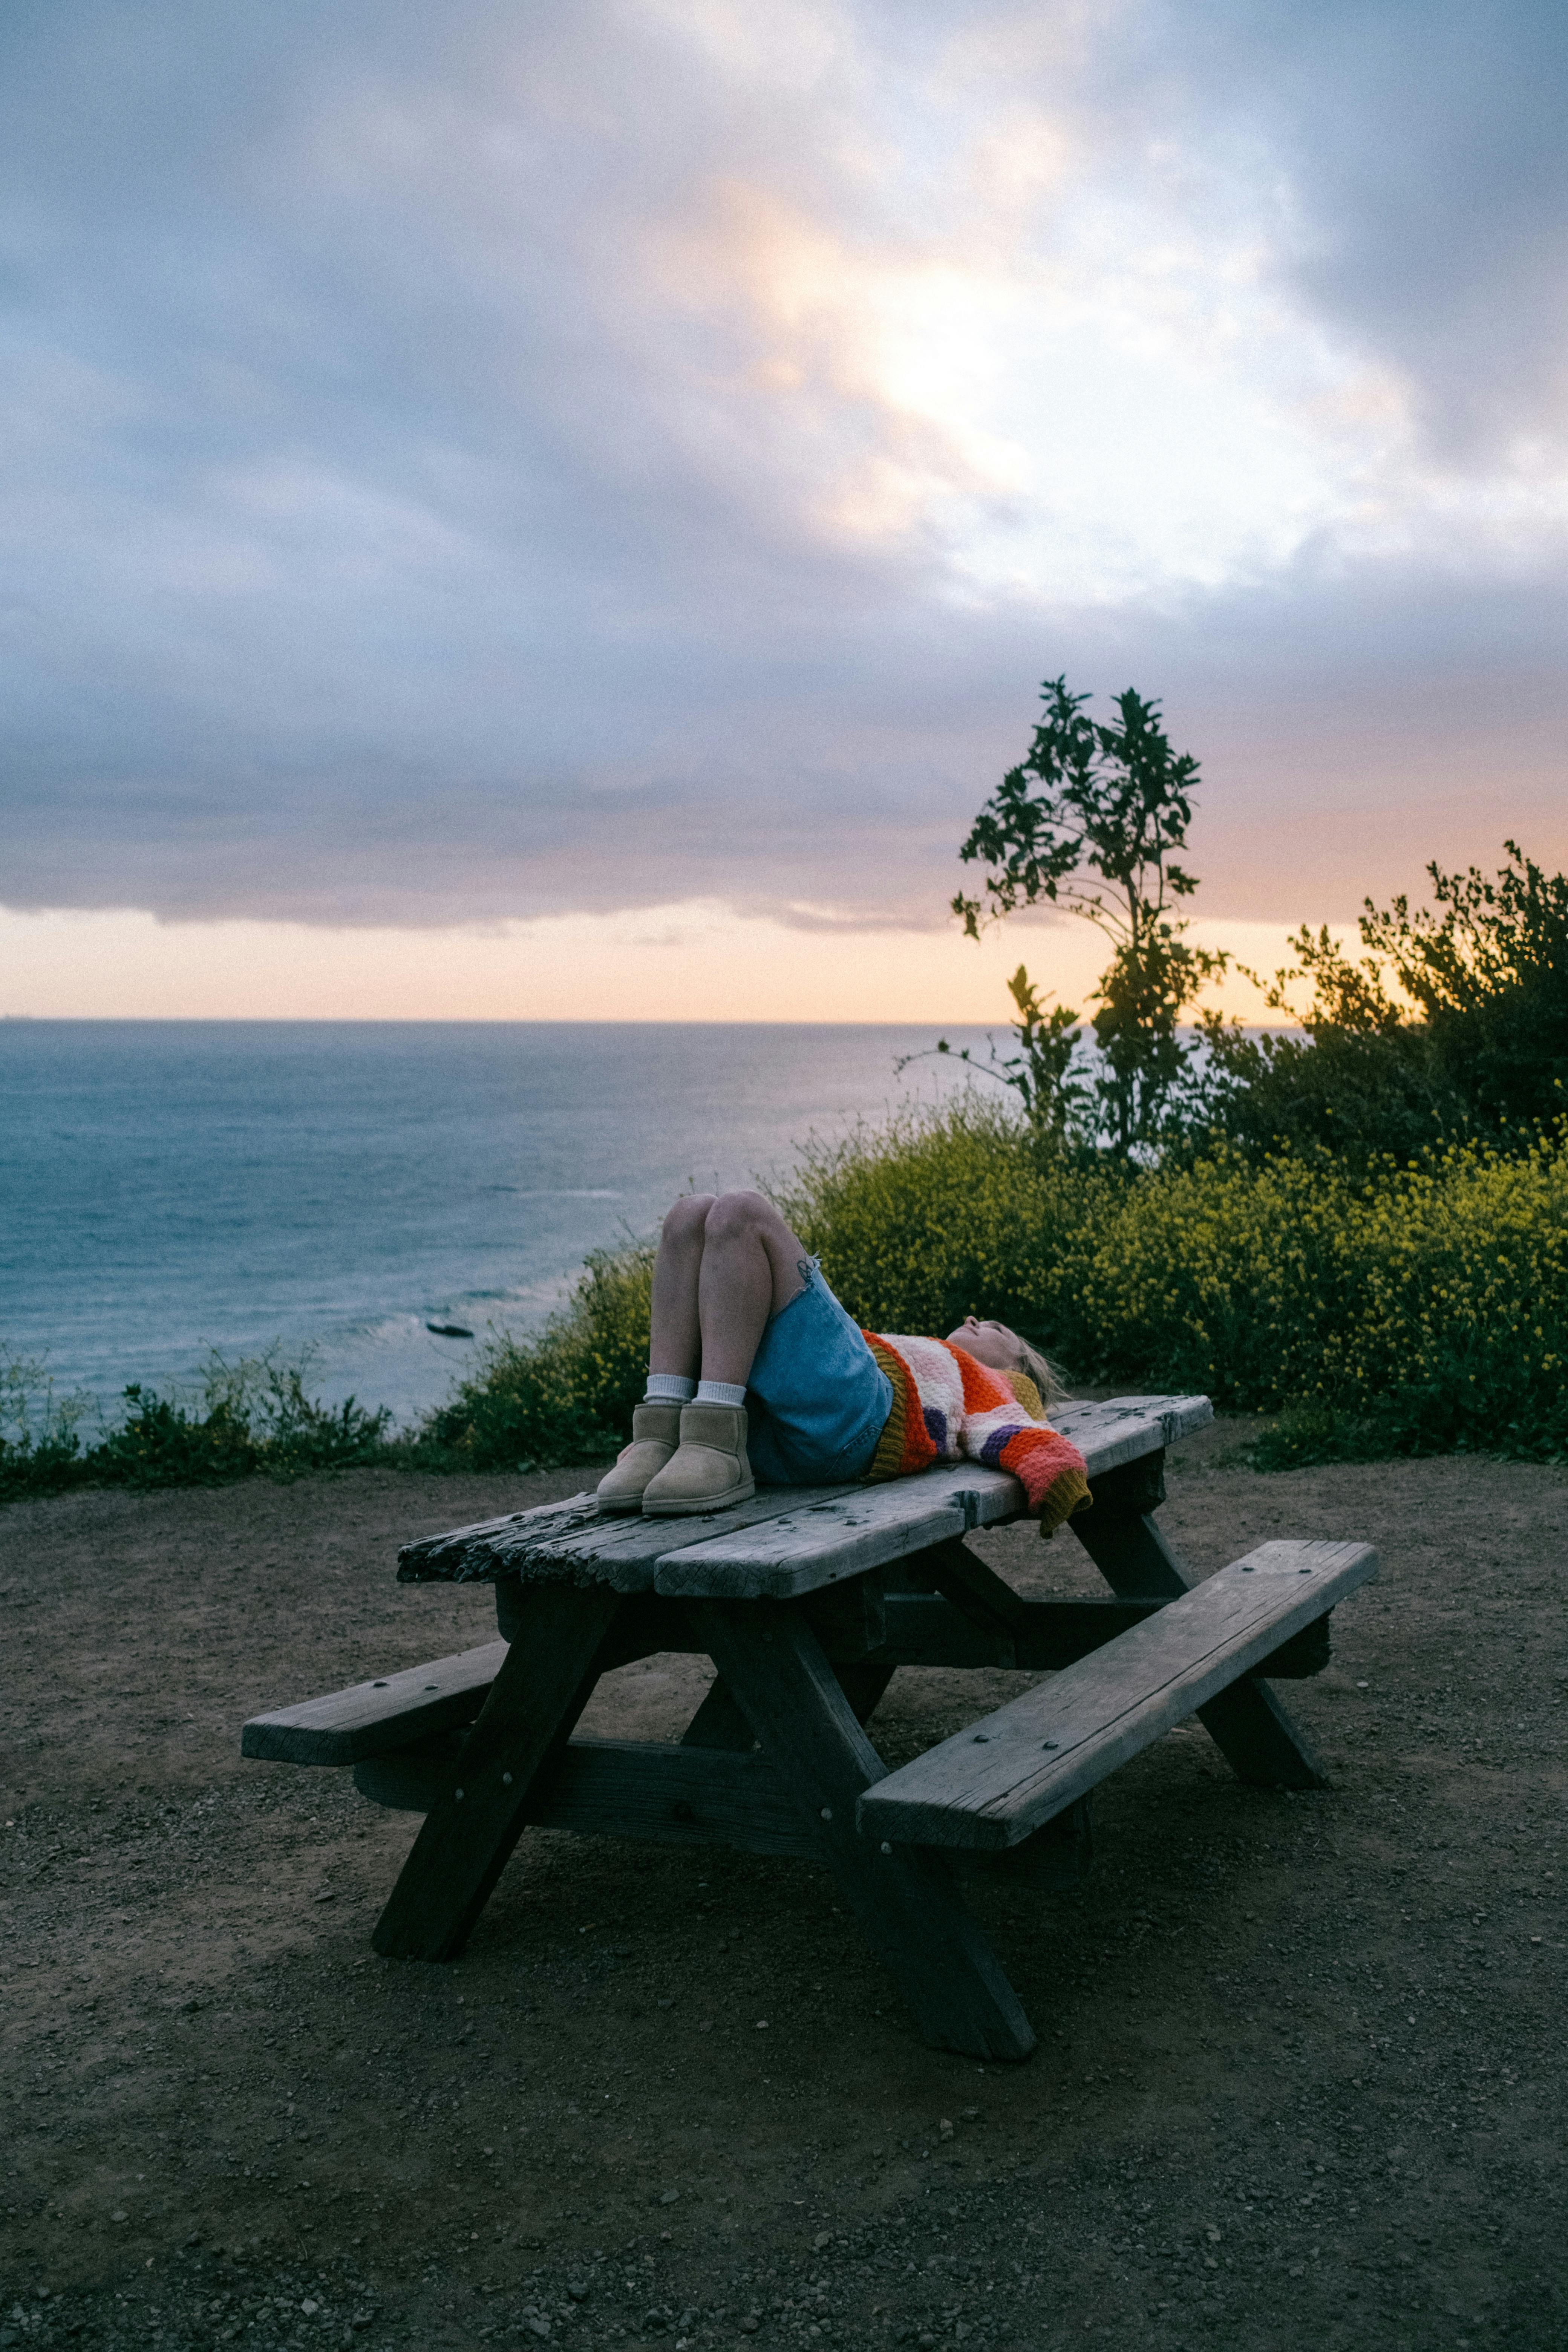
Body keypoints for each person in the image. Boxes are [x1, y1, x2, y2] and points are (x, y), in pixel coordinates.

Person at [596, 1188, 1091, 1531]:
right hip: (794, 1434)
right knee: (690, 1214)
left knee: (741, 1213)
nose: (975, 1319)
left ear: (1016, 1367)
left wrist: (1059, 1478)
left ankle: (712, 1444)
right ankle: (661, 1437)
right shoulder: (947, 1365)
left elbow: (1025, 1434)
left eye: (997, 1330)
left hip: (862, 1419)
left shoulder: (996, 1383)